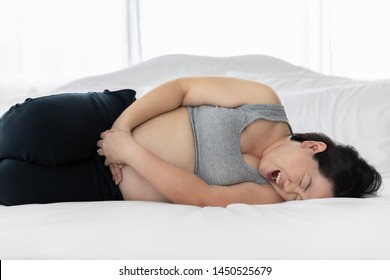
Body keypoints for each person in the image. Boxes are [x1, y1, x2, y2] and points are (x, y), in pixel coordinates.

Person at [0, 77, 382, 206]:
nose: (289, 190)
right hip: (113, 119)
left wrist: (129, 154)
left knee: (11, 185)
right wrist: (120, 133)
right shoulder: (263, 102)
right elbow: (181, 89)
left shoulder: (266, 194)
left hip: (109, 184)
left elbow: (202, 196)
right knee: (33, 134)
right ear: (313, 147)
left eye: (298, 199)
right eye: (304, 183)